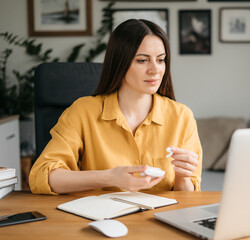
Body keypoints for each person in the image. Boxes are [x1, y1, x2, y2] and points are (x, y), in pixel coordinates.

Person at [29, 19, 202, 195]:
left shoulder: (182, 117)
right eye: (142, 60)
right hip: (99, 218)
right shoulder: (83, 111)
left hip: (157, 219)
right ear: (119, 62)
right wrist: (109, 177)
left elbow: (190, 197)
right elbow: (43, 176)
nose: (155, 70)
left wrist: (183, 177)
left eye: (161, 60)